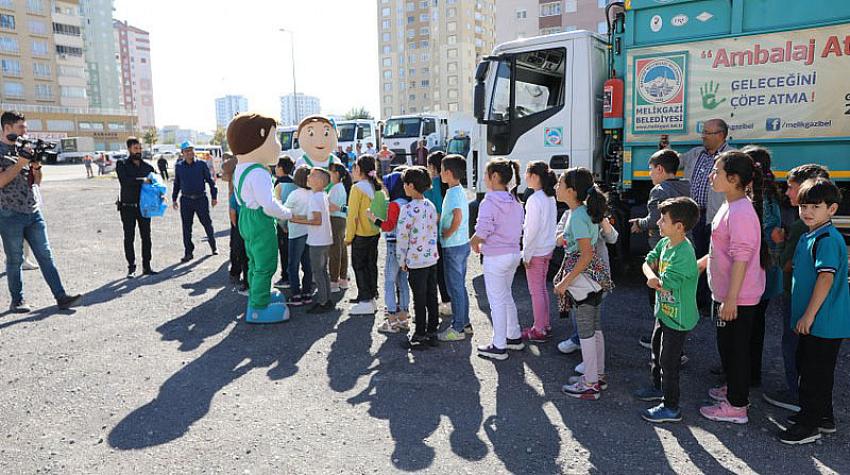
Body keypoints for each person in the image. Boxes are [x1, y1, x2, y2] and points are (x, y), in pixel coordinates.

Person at [698, 151, 767, 424]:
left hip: (737, 296)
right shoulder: (731, 204)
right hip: (727, 293)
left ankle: (737, 407)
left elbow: (741, 258)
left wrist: (731, 300)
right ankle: (734, 390)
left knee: (736, 350)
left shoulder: (740, 211)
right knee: (729, 347)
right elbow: (721, 249)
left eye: (716, 171)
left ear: (734, 178)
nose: (711, 175)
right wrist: (702, 263)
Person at [779, 178, 849, 445]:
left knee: (811, 374)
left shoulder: (827, 239)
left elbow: (826, 278)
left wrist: (808, 316)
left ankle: (808, 426)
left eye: (815, 207)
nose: (807, 212)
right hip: (817, 321)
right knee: (817, 372)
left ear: (831, 209)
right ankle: (822, 417)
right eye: (803, 206)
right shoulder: (812, 234)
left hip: (823, 322)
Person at [762, 164, 831, 412]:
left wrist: (778, 245)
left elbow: (787, 265)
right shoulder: (820, 226)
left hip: (798, 297)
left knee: (793, 345)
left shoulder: (804, 226)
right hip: (805, 298)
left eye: (791, 188)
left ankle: (796, 395)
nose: (788, 193)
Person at [0, 110, 81, 313]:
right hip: (9, 213)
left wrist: (36, 166)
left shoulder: (24, 148)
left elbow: (36, 182)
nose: (24, 133)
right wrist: (21, 163)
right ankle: (17, 301)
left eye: (25, 129)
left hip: (33, 211)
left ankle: (61, 297)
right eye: (20, 128)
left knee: (45, 255)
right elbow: (1, 181)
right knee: (15, 259)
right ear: (7, 128)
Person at [636, 197, 700, 423]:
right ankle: (657, 388)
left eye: (663, 220)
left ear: (679, 227)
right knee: (656, 350)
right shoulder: (665, 243)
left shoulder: (683, 253)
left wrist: (654, 278)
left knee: (669, 363)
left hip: (679, 319)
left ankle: (671, 407)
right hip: (664, 313)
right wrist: (652, 276)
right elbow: (647, 262)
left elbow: (666, 283)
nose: (659, 223)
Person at [555, 167, 613, 400]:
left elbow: (585, 255)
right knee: (595, 327)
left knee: (586, 330)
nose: (556, 187)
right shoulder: (584, 211)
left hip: (584, 279)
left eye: (559, 183)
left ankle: (590, 383)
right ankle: (597, 375)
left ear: (571, 191)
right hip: (595, 277)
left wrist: (564, 282)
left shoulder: (577, 216)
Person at [630, 149, 691, 348]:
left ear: (660, 169)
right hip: (682, 247)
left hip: (662, 250)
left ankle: (663, 341)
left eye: (650, 170)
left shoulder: (659, 190)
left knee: (660, 296)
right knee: (677, 297)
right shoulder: (686, 186)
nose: (649, 174)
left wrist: (639, 223)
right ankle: (675, 341)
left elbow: (655, 220)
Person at [471, 159, 526, 360]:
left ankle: (499, 345)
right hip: (513, 254)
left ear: (495, 177)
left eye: (486, 174)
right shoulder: (516, 202)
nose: (484, 178)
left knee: (497, 301)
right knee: (506, 295)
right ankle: (514, 336)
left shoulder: (489, 201)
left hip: (496, 256)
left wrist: (473, 242)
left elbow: (483, 230)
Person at [740, 146, 783, 389]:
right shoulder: (768, 194)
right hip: (765, 271)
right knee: (755, 325)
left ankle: (747, 373)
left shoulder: (759, 199)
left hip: (757, 272)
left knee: (751, 326)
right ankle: (747, 370)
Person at [680, 119, 735, 308]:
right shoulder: (696, 153)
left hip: (715, 216)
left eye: (707, 133)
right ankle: (695, 299)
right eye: (703, 132)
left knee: (712, 257)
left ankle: (707, 300)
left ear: (720, 135)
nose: (702, 136)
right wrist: (665, 148)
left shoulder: (731, 157)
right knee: (694, 255)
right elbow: (675, 161)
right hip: (693, 215)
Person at [396, 166, 440, 348]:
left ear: (411, 185)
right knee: (431, 295)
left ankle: (419, 333)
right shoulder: (430, 205)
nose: (404, 187)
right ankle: (432, 331)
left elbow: (402, 236)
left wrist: (402, 259)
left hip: (415, 260)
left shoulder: (407, 209)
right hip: (431, 258)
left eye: (405, 184)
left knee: (419, 298)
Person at [369, 170, 411, 332]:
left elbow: (388, 226)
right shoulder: (408, 203)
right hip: (406, 247)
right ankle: (404, 317)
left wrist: (374, 219)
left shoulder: (394, 204)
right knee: (403, 281)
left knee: (389, 281)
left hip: (394, 246)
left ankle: (391, 318)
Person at [520, 161, 557, 343]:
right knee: (542, 289)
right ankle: (544, 324)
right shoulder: (550, 197)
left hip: (536, 251)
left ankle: (539, 329)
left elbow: (530, 230)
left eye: (527, 174)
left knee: (536, 291)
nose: (525, 177)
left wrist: (526, 254)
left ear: (535, 176)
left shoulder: (534, 199)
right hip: (547, 249)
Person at [438, 154, 472, 342]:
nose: (441, 174)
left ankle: (457, 327)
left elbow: (457, 216)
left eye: (442, 171)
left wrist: (446, 233)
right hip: (461, 244)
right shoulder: (458, 190)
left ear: (449, 173)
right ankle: (464, 323)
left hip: (454, 245)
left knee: (455, 287)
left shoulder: (452, 193)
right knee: (459, 286)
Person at [291, 168, 335, 313]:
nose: (308, 177)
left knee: (318, 271)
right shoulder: (321, 195)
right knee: (323, 271)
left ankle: (322, 302)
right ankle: (327, 300)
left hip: (317, 241)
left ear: (320, 181)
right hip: (325, 239)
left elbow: (316, 220)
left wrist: (298, 221)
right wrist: (297, 218)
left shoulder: (316, 197)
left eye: (312, 175)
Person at [345, 155, 382, 315]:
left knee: (359, 266)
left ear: (359, 169)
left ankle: (365, 300)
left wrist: (348, 237)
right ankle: (370, 296)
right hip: (374, 232)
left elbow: (352, 215)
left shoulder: (357, 188)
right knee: (371, 265)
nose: (352, 171)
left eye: (354, 168)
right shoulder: (376, 186)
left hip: (361, 234)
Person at [116, 136, 157, 278]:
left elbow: (155, 184)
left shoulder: (148, 167)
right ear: (129, 149)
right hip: (127, 207)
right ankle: (131, 267)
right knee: (129, 237)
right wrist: (144, 180)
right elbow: (125, 181)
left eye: (140, 148)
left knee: (146, 237)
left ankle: (147, 266)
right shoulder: (121, 164)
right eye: (135, 148)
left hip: (144, 208)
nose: (138, 151)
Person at [172, 141, 218, 262]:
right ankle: (188, 252)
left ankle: (213, 246)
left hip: (201, 199)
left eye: (191, 150)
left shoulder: (201, 165)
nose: (189, 153)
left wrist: (214, 197)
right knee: (186, 227)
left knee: (207, 223)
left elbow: (210, 181)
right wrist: (174, 199)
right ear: (182, 153)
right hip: (186, 200)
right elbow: (176, 183)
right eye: (186, 151)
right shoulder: (179, 166)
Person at [423, 151, 451, 315]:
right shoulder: (451, 185)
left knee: (438, 272)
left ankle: (446, 302)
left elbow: (432, 211)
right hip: (452, 234)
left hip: (436, 236)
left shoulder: (432, 184)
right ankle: (451, 301)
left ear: (433, 167)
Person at [283, 166, 314, 306]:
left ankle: (295, 295)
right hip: (311, 233)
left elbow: (285, 213)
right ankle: (307, 293)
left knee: (293, 265)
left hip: (296, 233)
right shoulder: (314, 193)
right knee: (307, 265)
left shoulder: (294, 194)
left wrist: (283, 226)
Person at [222, 156, 248, 293]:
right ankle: (235, 272)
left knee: (245, 247)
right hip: (236, 206)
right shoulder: (237, 159)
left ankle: (245, 276)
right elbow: (224, 169)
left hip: (244, 208)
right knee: (236, 245)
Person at [273, 156, 296, 288]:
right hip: (295, 221)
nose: (275, 169)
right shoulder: (295, 182)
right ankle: (292, 276)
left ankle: (286, 277)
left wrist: (282, 224)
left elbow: (277, 205)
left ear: (281, 168)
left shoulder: (279, 183)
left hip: (283, 224)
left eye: (276, 166)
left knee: (284, 252)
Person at [328, 163, 351, 292]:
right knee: (341, 249)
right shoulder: (340, 187)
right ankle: (342, 279)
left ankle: (334, 281)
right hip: (341, 219)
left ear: (336, 173)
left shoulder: (336, 187)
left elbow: (331, 206)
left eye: (330, 172)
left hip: (335, 219)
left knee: (335, 250)